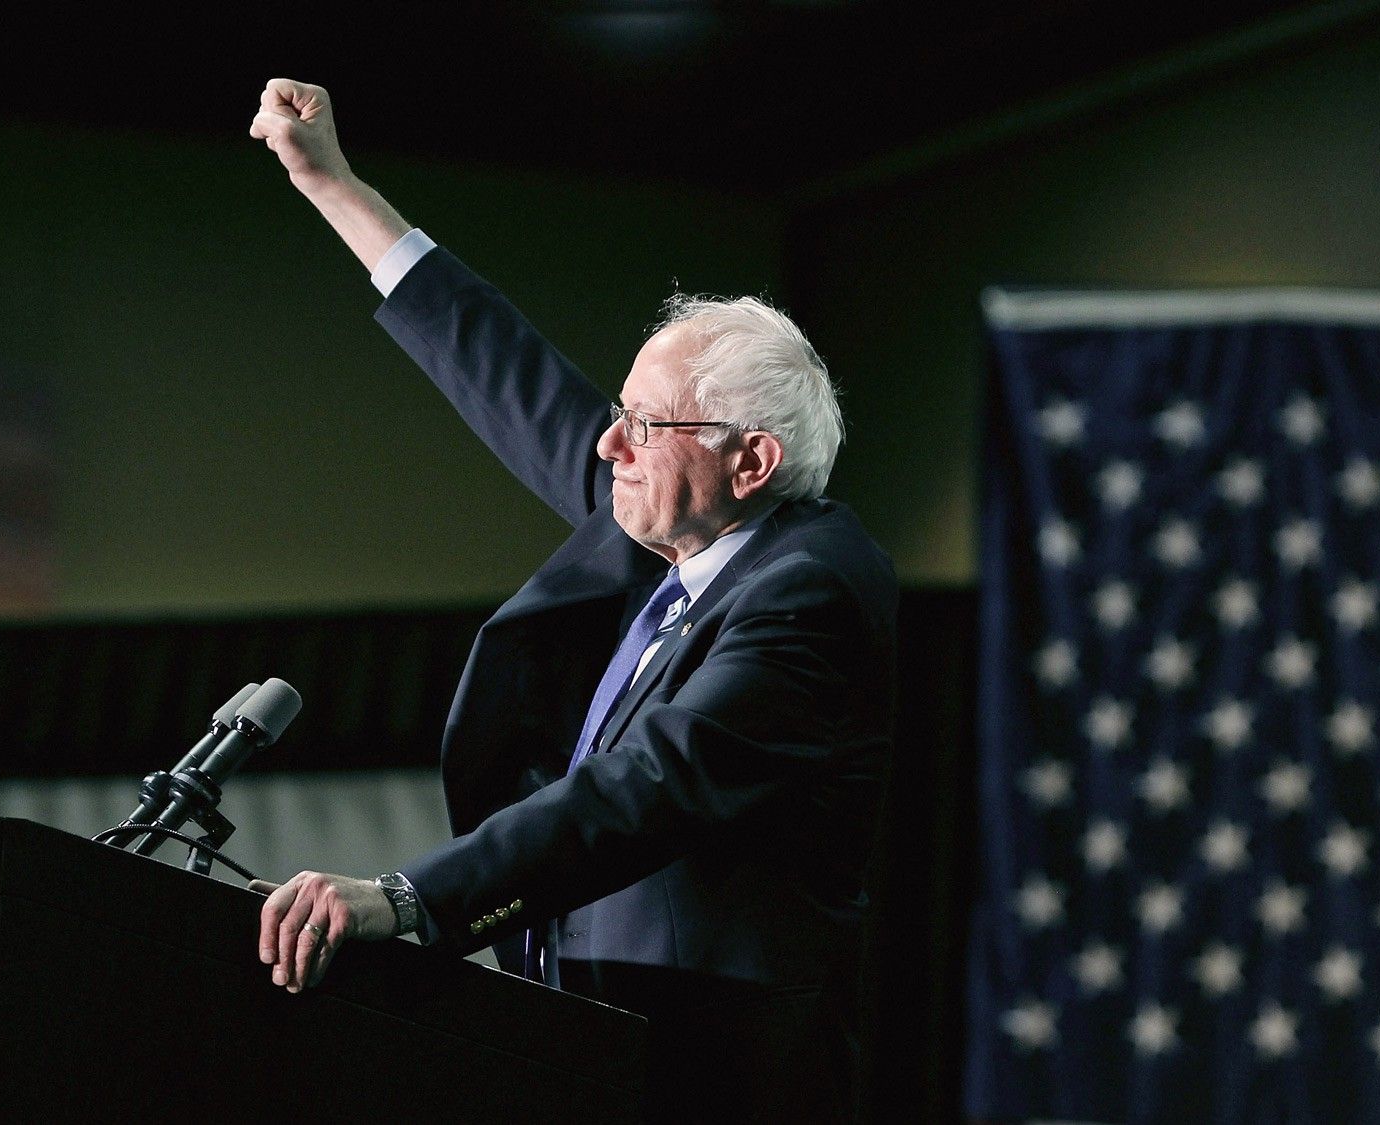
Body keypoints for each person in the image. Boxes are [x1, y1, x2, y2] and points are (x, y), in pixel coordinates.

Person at [247, 78, 897, 1121]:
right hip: (597, 1046)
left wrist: (411, 899)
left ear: (752, 459)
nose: (609, 443)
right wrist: (334, 183)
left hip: (716, 1075)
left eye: (643, 423)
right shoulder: (681, 516)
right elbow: (504, 372)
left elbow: (647, 787)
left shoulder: (806, 590)